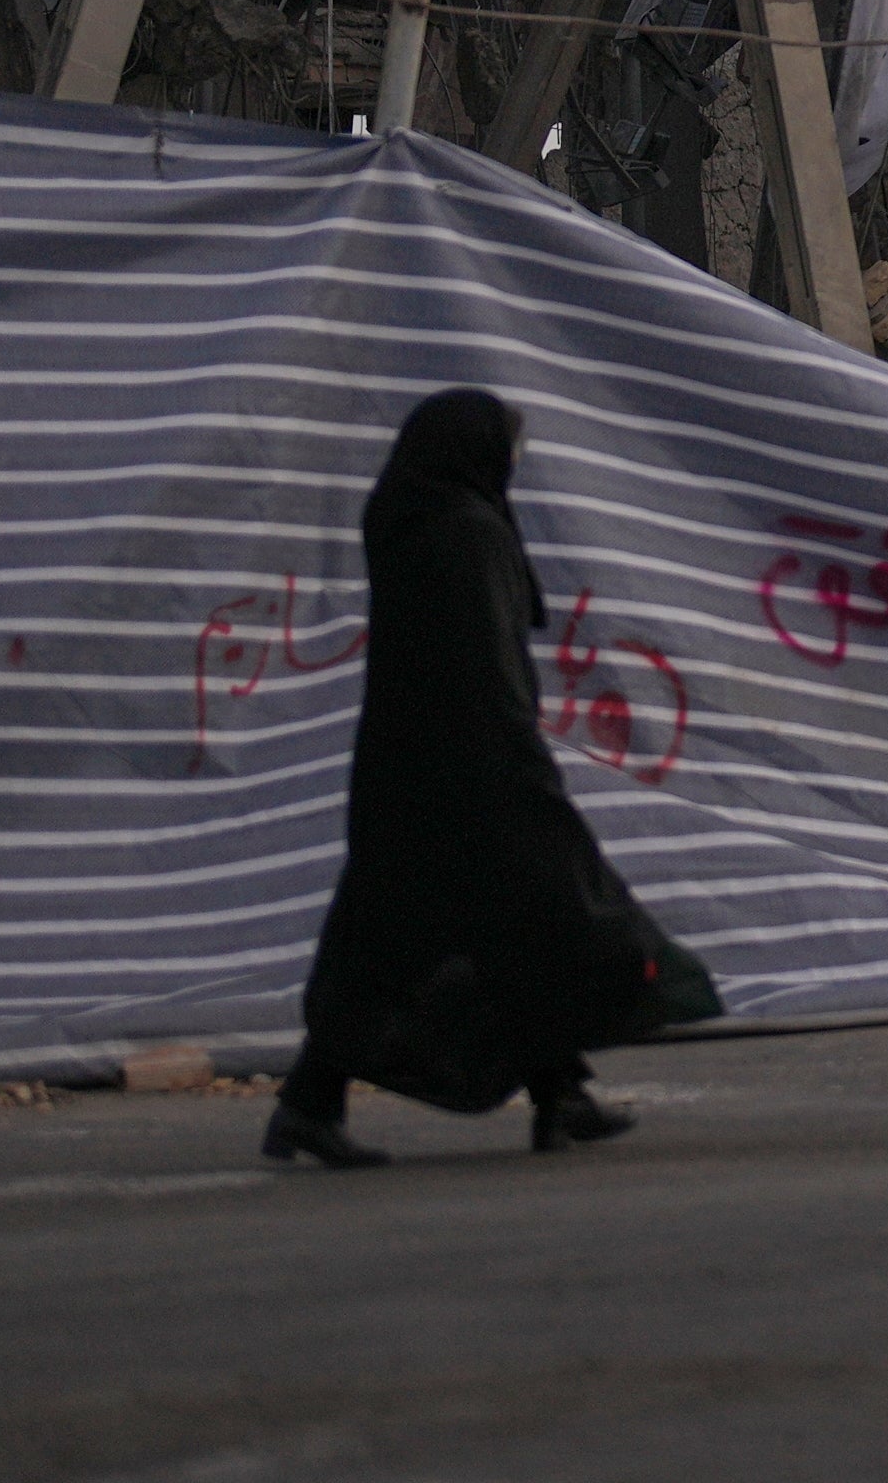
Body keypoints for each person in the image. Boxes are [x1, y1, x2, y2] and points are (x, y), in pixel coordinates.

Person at [263, 390, 720, 1168]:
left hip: (410, 771)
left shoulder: (411, 517)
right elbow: (485, 669)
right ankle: (320, 1103)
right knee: (535, 920)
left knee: (460, 938)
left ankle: (555, 1096)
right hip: (472, 776)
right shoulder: (465, 534)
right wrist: (518, 761)